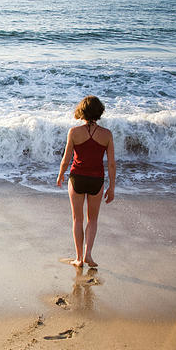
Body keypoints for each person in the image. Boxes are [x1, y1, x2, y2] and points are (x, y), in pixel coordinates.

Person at [56, 95, 116, 268]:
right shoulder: (107, 134)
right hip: (97, 180)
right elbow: (111, 164)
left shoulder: (74, 132)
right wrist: (111, 187)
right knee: (93, 220)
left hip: (77, 178)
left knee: (77, 219)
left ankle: (79, 258)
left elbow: (66, 159)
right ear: (99, 112)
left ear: (81, 111)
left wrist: (60, 175)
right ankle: (89, 254)